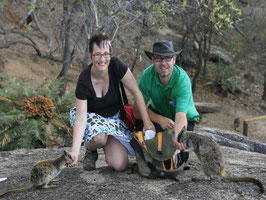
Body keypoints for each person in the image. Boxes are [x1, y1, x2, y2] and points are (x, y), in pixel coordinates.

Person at [68, 33, 155, 171]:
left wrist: (147, 121)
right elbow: (80, 118)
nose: (102, 59)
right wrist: (75, 151)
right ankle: (91, 150)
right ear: (91, 56)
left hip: (113, 118)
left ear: (110, 54)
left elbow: (136, 92)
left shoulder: (116, 65)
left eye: (105, 54)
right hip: (91, 117)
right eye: (97, 55)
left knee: (119, 165)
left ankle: (108, 143)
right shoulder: (84, 80)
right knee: (99, 138)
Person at [133, 40, 199, 151]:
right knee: (141, 128)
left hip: (184, 118)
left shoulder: (182, 80)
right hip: (160, 114)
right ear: (153, 60)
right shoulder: (147, 75)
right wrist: (159, 119)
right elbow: (136, 110)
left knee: (178, 149)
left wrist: (177, 138)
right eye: (159, 58)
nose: (163, 63)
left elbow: (181, 115)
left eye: (167, 58)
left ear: (174, 59)